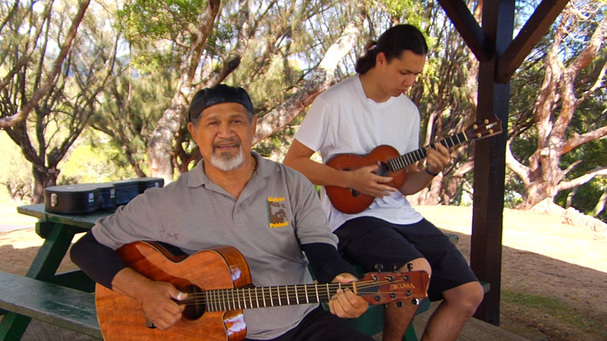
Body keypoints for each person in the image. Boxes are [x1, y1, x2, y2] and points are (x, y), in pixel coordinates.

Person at [70, 84, 375, 341]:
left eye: (236, 122)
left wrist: (340, 279)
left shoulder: (291, 183)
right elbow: (86, 249)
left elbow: (321, 251)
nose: (225, 133)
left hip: (298, 324)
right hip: (209, 335)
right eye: (213, 123)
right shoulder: (165, 202)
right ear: (194, 131)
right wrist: (145, 292)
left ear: (253, 127)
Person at [283, 24, 485, 341]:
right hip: (349, 217)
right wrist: (349, 179)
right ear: (380, 60)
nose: (410, 82)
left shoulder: (408, 111)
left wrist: (430, 170)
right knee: (417, 271)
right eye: (404, 72)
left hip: (400, 215)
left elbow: (404, 186)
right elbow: (293, 163)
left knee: (469, 293)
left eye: (416, 74)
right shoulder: (333, 102)